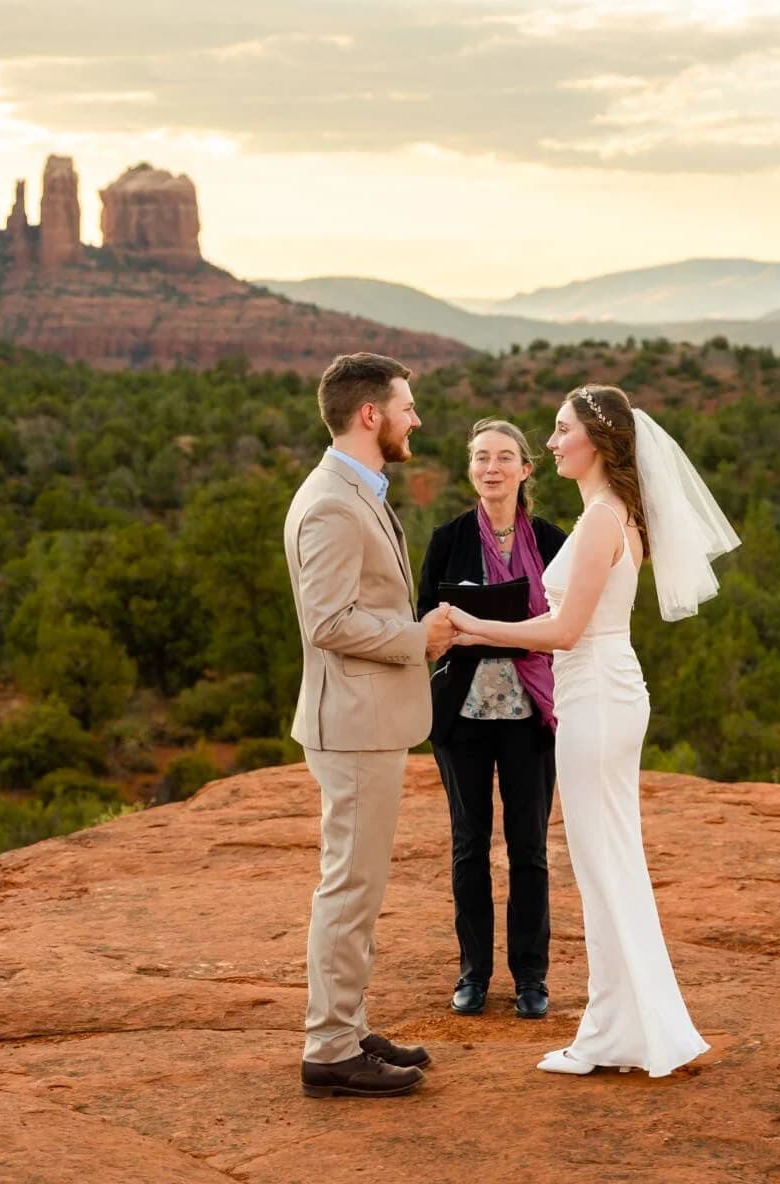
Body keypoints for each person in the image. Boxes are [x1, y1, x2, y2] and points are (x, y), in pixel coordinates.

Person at [446, 384, 740, 1078]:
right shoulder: (610, 513)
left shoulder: (605, 518)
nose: (549, 444)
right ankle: (623, 1029)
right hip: (603, 692)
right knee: (608, 861)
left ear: (598, 442)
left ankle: (617, 1033)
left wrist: (470, 628)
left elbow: (566, 631)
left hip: (597, 697)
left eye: (560, 430)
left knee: (602, 864)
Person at [283, 352, 455, 1099]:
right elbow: (328, 622)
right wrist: (419, 637)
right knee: (350, 887)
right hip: (353, 724)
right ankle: (329, 1048)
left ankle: (347, 1026)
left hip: (366, 720)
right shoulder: (331, 501)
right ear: (370, 415)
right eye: (407, 406)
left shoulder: (357, 489)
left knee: (360, 882)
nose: (416, 418)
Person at [416, 419, 568, 1021]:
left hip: (532, 715)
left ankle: (531, 979)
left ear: (525, 470)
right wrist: (470, 627)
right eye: (481, 457)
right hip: (464, 716)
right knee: (469, 846)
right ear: (470, 469)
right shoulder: (447, 538)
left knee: (529, 848)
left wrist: (481, 624)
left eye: (505, 457)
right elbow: (428, 621)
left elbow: (568, 622)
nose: (492, 467)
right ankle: (473, 975)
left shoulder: (555, 541)